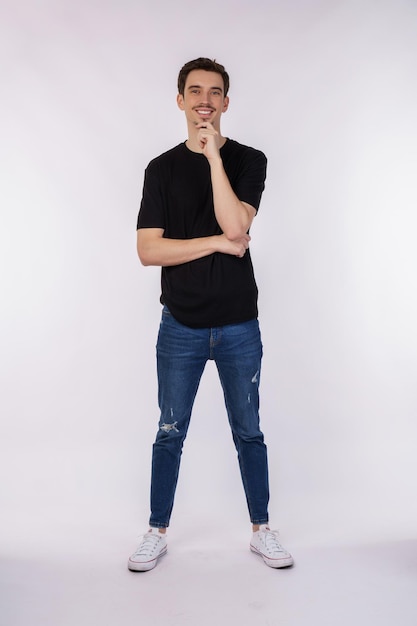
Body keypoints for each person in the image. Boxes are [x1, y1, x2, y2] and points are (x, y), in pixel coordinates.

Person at [128, 58, 293, 571]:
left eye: (214, 92)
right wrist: (220, 244)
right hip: (179, 325)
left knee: (249, 430)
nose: (204, 99)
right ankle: (157, 531)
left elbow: (237, 223)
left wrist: (213, 159)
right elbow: (149, 251)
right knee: (169, 430)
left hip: (240, 323)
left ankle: (261, 529)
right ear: (180, 100)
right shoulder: (160, 169)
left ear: (225, 103)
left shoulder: (248, 160)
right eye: (194, 91)